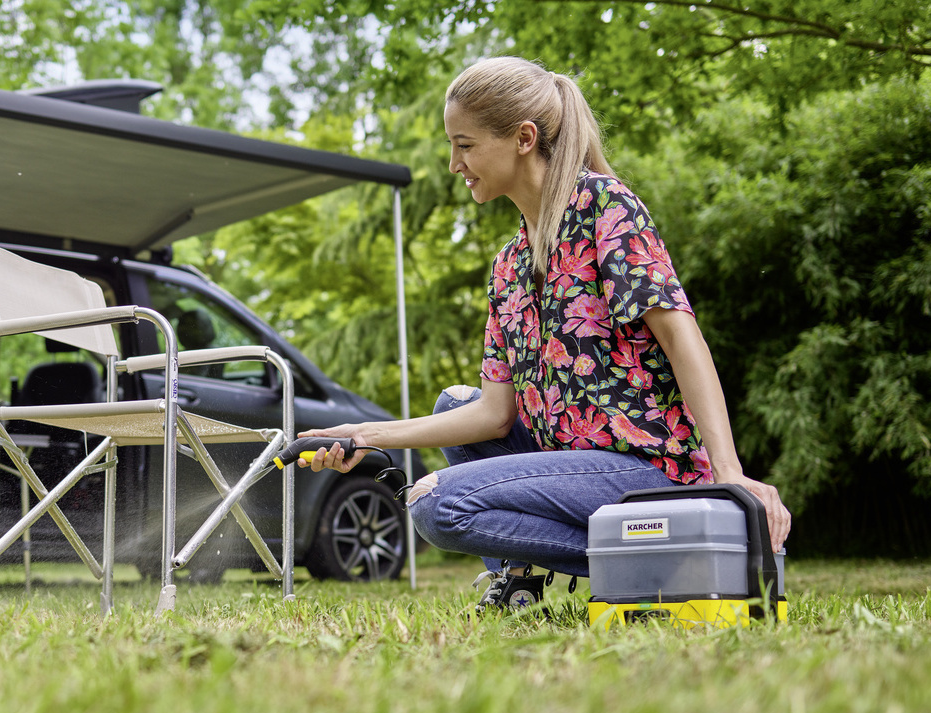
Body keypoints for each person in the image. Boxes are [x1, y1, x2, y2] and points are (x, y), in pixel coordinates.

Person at [297, 56, 790, 613]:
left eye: (465, 144)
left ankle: (673, 552)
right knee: (452, 403)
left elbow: (683, 340)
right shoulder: (509, 263)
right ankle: (525, 578)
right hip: (571, 464)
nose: (455, 163)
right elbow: (492, 415)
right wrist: (365, 435)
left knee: (435, 506)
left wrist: (729, 476)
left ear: (523, 138)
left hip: (648, 467)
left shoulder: (605, 207)